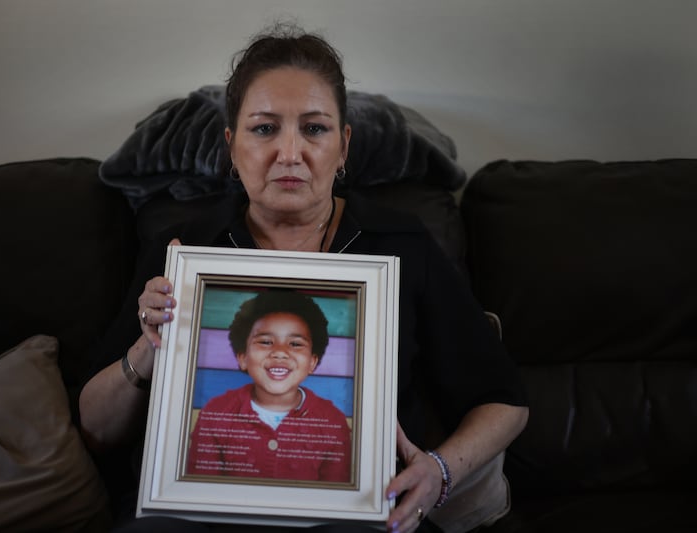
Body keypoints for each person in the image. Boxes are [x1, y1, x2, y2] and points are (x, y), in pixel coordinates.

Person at [79, 23, 529, 533]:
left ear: (343, 147)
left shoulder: (399, 243)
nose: (289, 153)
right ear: (232, 145)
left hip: (352, 516)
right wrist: (147, 345)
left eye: (314, 129)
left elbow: (505, 401)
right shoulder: (187, 249)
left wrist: (440, 472)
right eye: (265, 128)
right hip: (197, 514)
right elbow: (97, 431)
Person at [185, 290, 352, 483]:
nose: (280, 353)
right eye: (265, 342)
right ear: (243, 358)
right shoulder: (215, 414)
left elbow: (336, 496)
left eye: (296, 344)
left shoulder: (333, 422)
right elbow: (201, 489)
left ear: (313, 362)